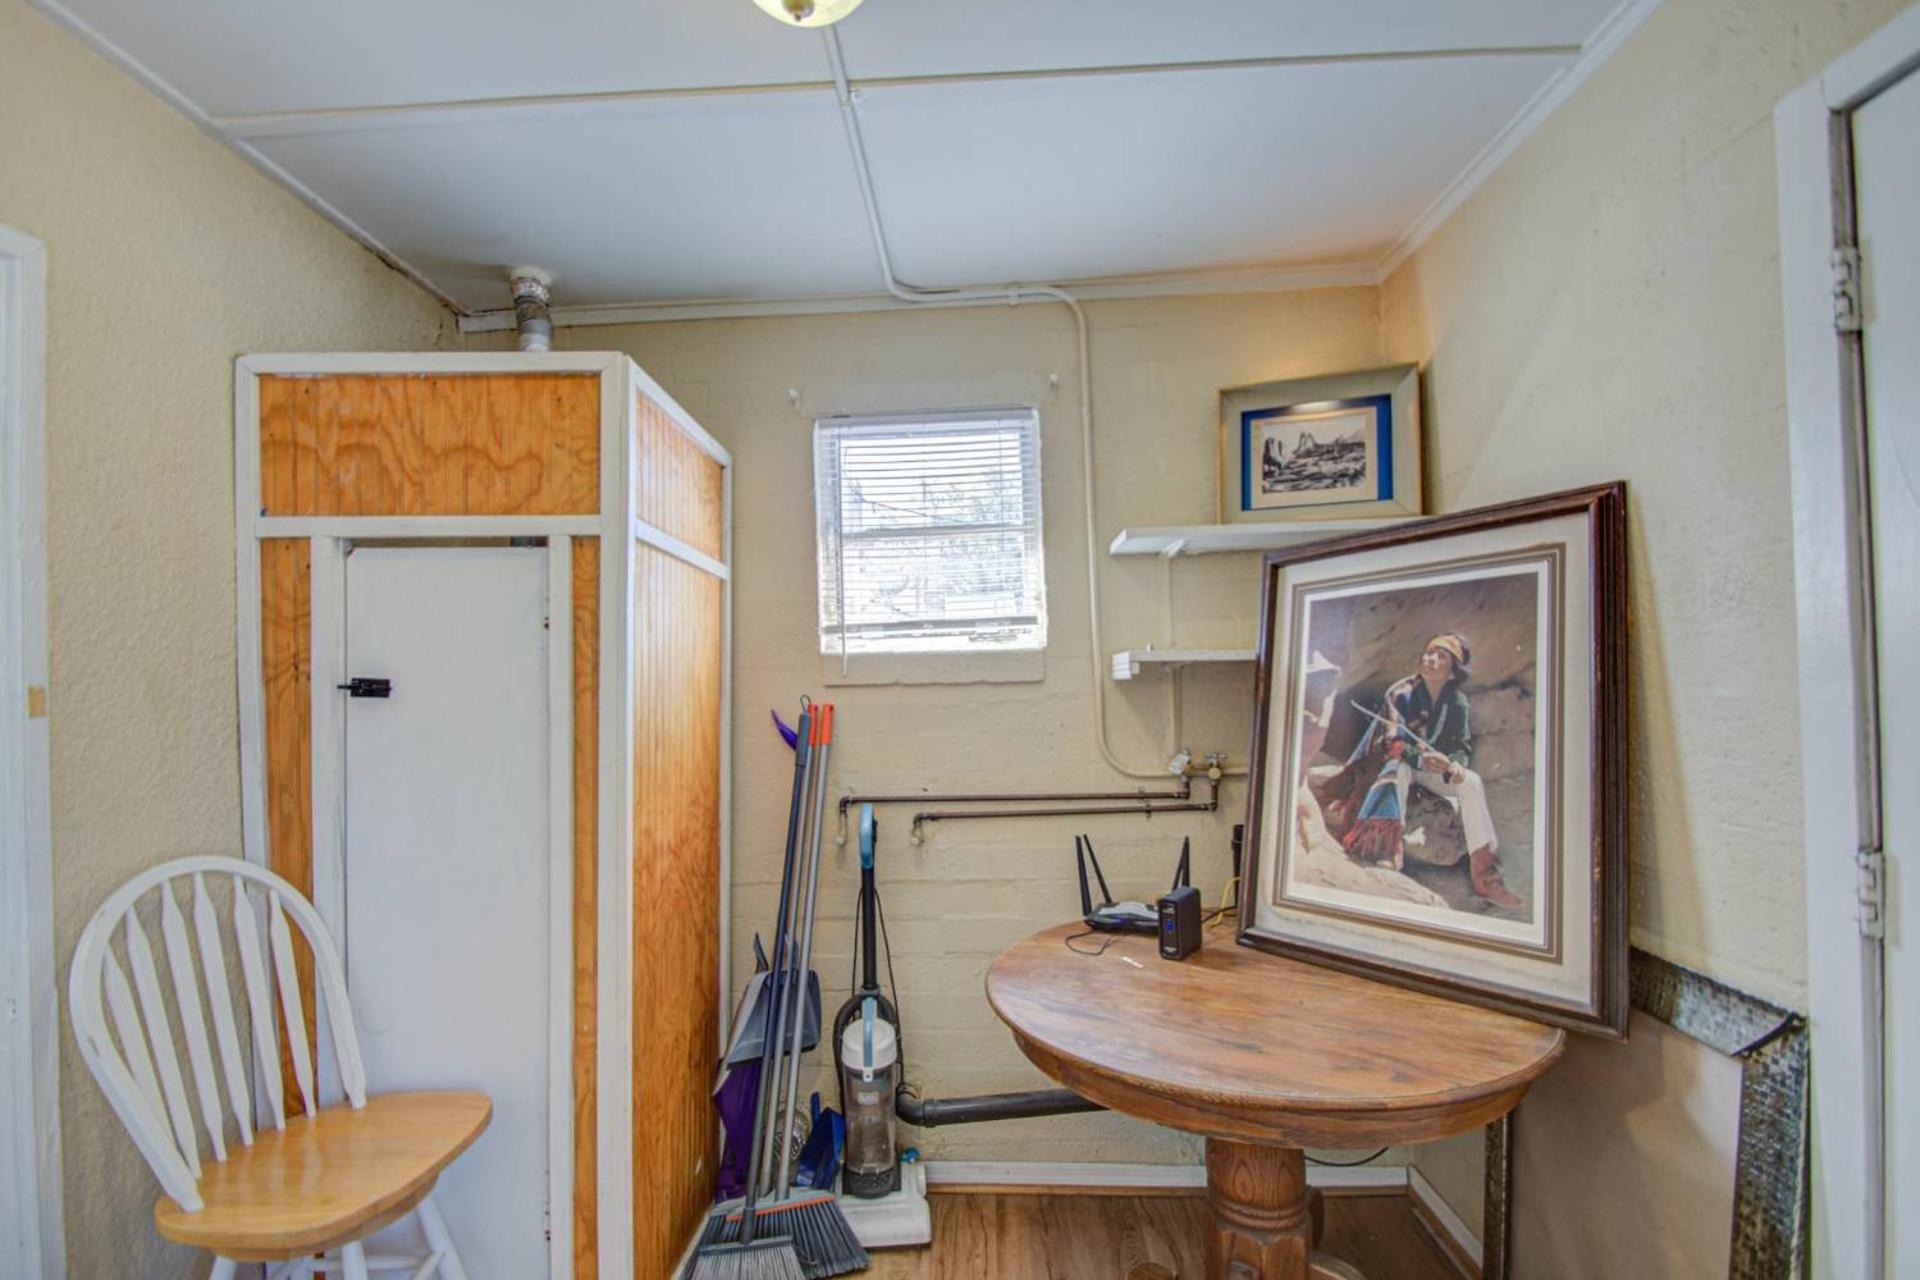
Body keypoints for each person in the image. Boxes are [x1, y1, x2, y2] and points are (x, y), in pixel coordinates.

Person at [1343, 633, 1525, 910]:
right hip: (1397, 762)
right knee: (1396, 770)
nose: (1431, 659)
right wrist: (1420, 758)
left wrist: (1455, 765)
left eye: (1441, 656)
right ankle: (1388, 850)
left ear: (1453, 670)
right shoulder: (1400, 693)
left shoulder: (1457, 701)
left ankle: (1484, 875)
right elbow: (1389, 742)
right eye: (1429, 652)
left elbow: (1460, 746)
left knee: (1472, 782)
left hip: (1432, 769)